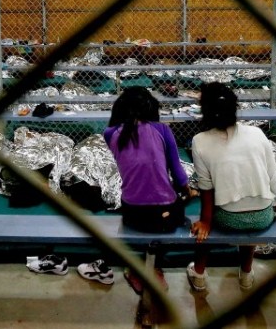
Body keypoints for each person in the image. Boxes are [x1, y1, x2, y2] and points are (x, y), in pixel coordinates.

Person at [76, 86, 191, 290]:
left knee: (142, 204)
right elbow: (179, 174)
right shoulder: (162, 130)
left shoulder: (110, 134)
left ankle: (137, 270)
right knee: (177, 208)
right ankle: (155, 268)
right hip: (166, 217)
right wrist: (188, 190)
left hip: (134, 214)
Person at [186, 82, 276, 292]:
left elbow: (206, 189)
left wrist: (205, 222)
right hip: (263, 216)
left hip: (229, 219)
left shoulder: (199, 141)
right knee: (248, 202)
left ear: (205, 110)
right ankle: (246, 273)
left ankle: (198, 273)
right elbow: (272, 176)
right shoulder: (257, 133)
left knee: (204, 227)